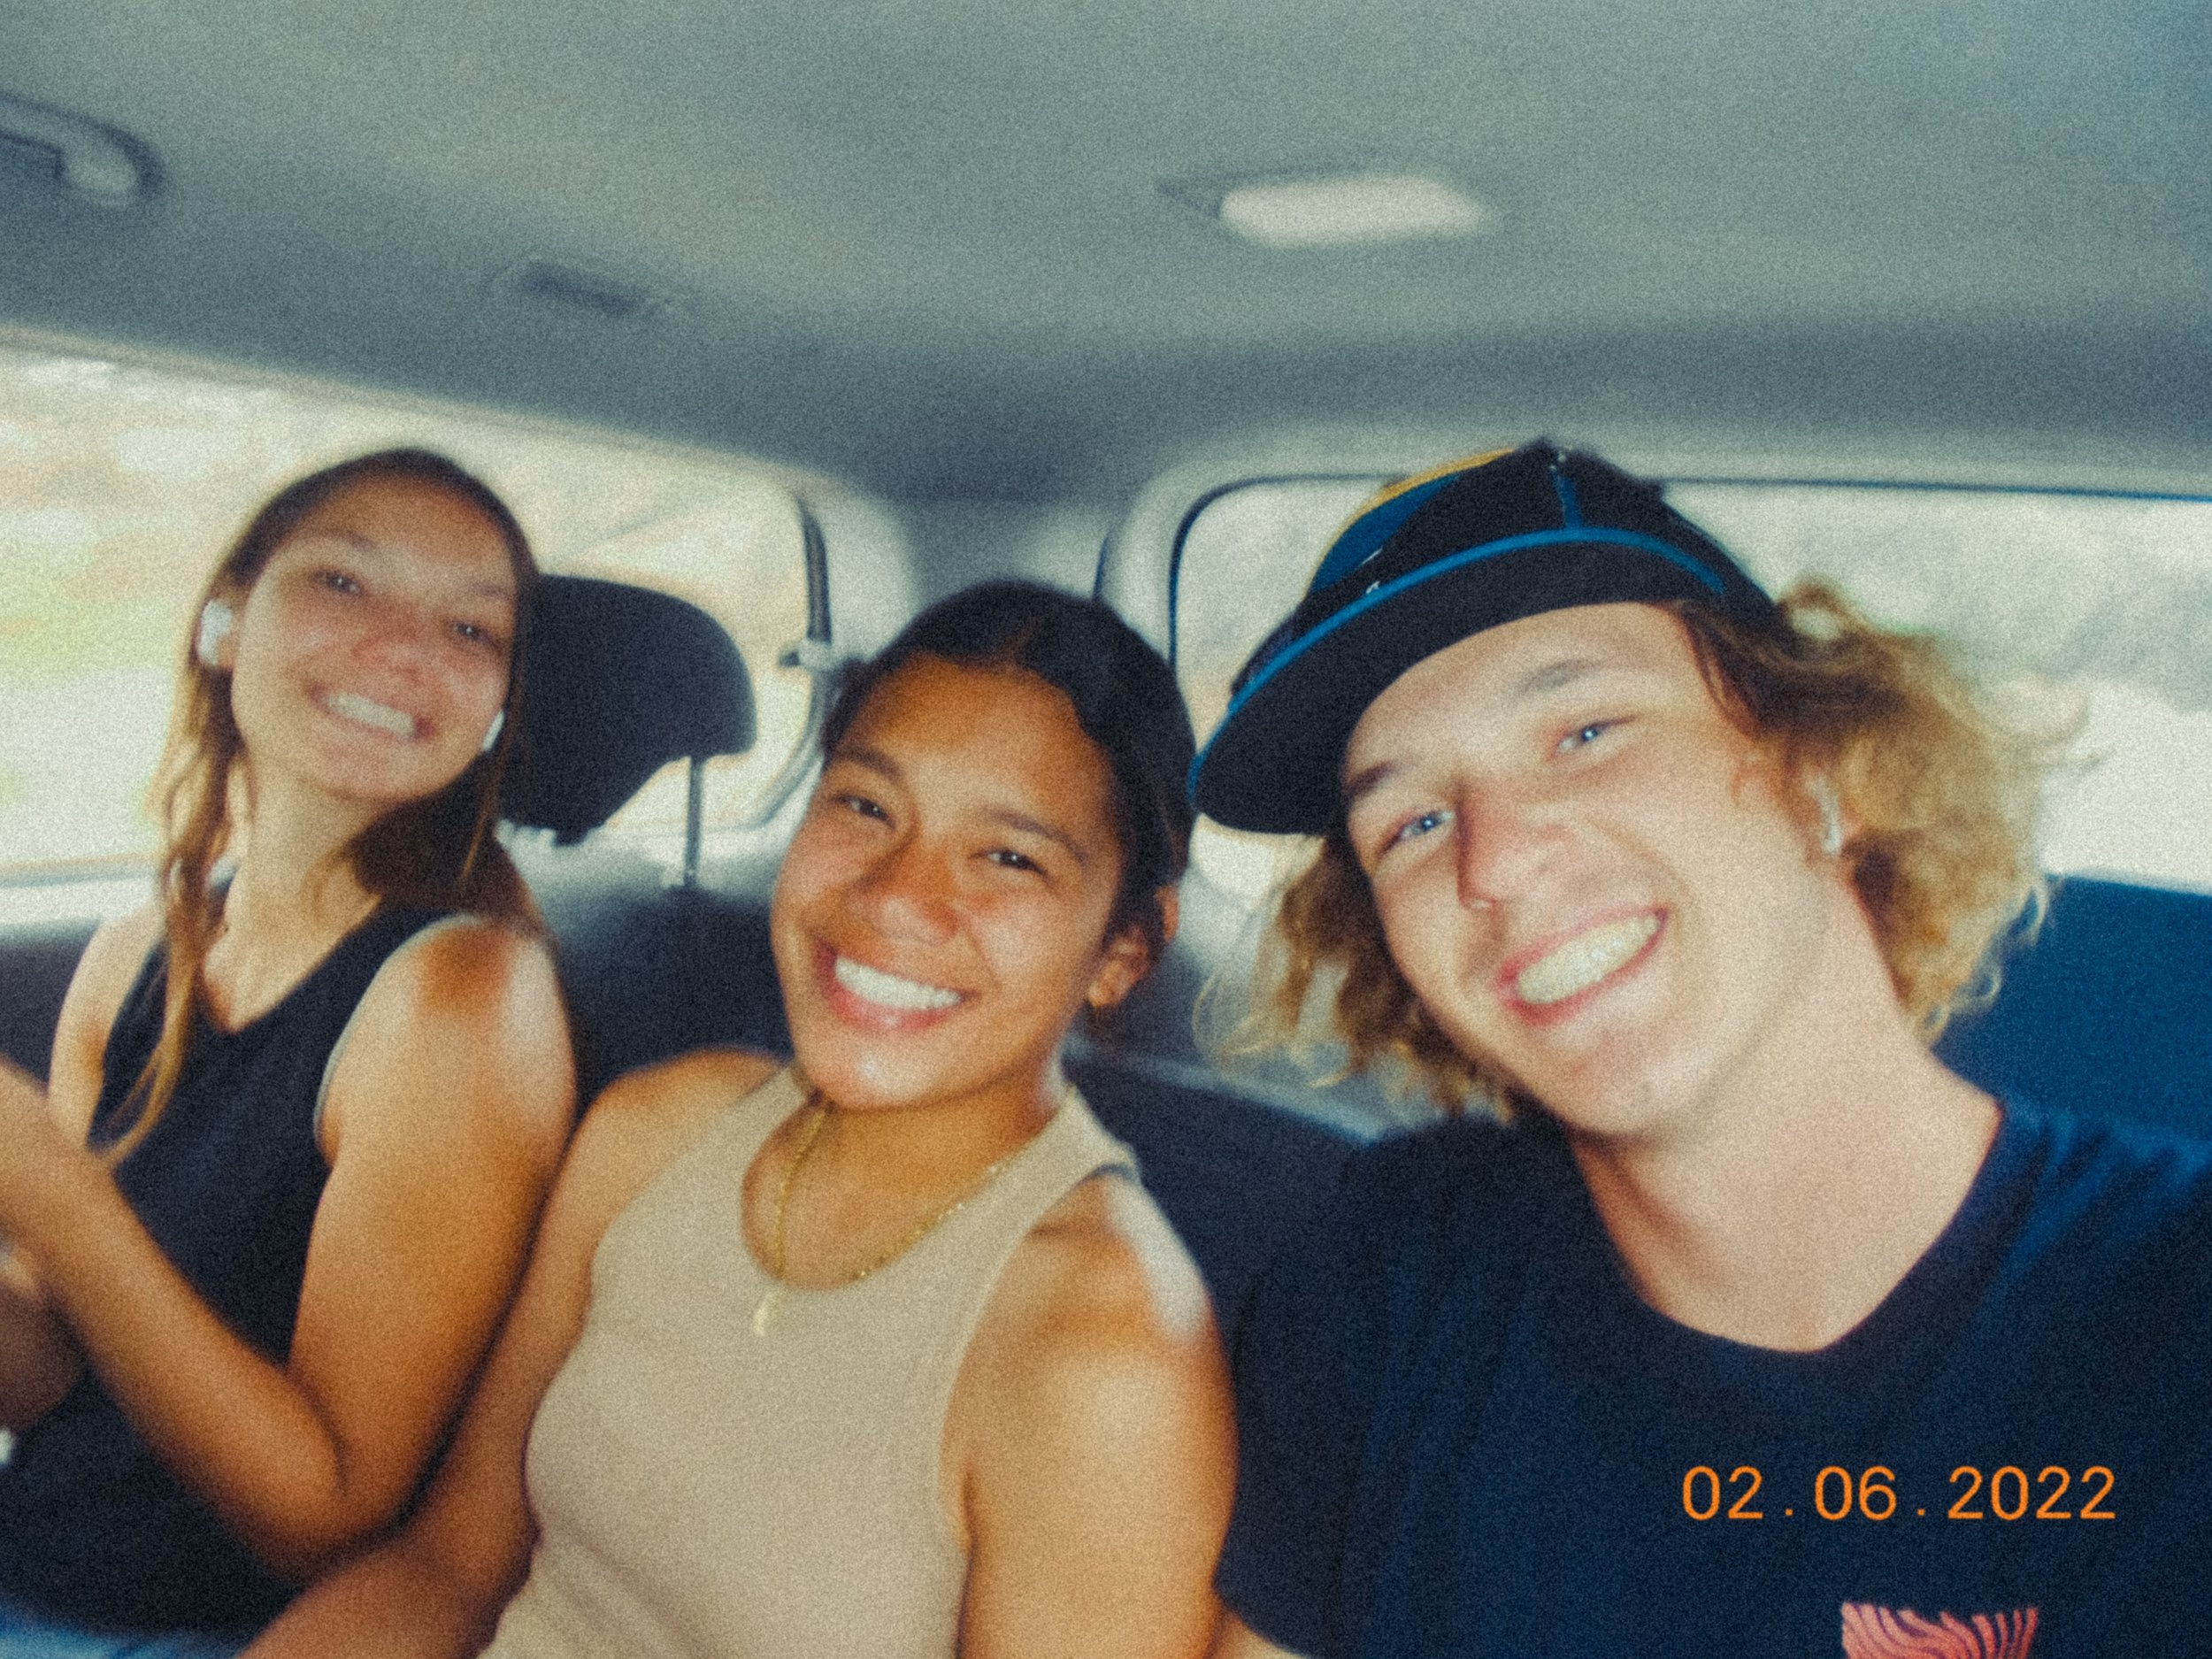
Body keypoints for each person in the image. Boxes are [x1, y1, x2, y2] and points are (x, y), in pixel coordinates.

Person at [1190, 442, 2212, 1658]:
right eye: (1411, 818)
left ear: (1826, 767)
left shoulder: (2173, 1322)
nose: (1494, 857)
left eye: (1585, 730)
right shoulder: (1389, 1282)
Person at [247, 580, 1235, 1659]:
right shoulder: (659, 1129)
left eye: (1007, 857)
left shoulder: (1104, 1350)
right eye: (864, 807)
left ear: (1124, 950)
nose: (896, 895)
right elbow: (448, 1567)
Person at [0, 449, 576, 1656]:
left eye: (471, 626)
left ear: (500, 708)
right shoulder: (135, 952)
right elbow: (55, 1370)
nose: (405, 648)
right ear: (223, 620)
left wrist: (52, 1193)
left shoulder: (462, 997)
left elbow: (325, 1522)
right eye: (344, 584)